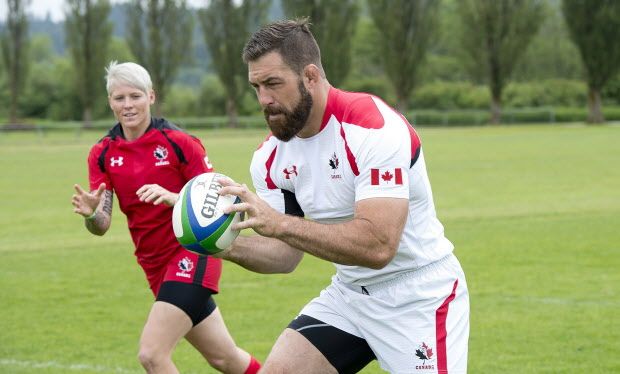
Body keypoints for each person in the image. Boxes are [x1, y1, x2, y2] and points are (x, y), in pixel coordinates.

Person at [217, 18, 470, 373]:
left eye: (273, 84)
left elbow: (378, 246)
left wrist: (278, 223)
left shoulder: (372, 127)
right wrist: (220, 244)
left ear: (310, 76)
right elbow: (284, 255)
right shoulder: (270, 157)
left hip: (419, 297)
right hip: (350, 296)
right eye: (256, 87)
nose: (264, 100)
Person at [71, 61, 261, 374]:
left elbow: (221, 198)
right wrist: (93, 214)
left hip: (192, 251)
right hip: (153, 264)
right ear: (110, 102)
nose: (128, 105)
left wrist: (177, 199)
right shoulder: (103, 153)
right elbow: (101, 225)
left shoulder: (179, 143)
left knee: (151, 354)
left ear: (151, 97)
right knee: (224, 358)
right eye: (120, 98)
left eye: (135, 96)